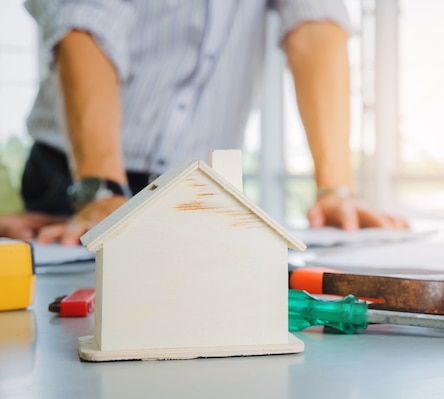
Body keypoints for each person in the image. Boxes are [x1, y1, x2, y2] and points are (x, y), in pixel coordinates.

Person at [5, 0, 407, 245]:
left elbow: (316, 20)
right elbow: (83, 25)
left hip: (197, 185)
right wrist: (99, 190)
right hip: (79, 178)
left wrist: (334, 189)